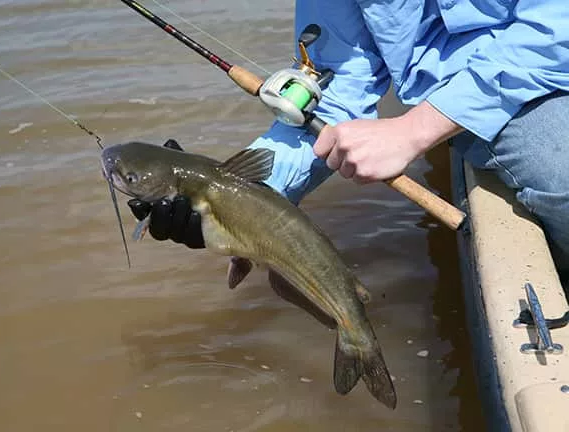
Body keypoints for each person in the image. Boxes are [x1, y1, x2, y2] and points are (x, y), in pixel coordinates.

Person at [129, 0, 569, 276]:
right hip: (468, 92)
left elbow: (555, 29)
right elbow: (340, 84)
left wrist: (415, 129)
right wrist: (247, 192)